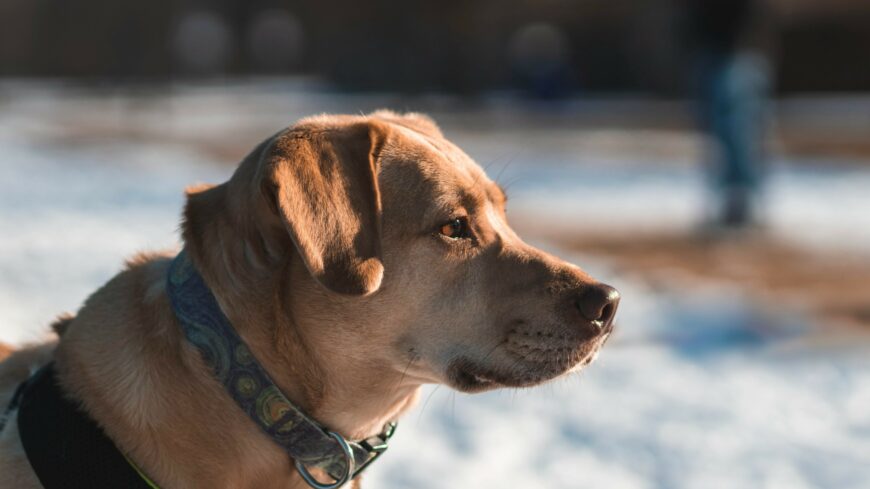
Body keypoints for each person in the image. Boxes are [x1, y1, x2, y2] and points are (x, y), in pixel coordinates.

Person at [682, 0, 773, 229]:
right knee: (720, 130)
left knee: (737, 129)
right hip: (713, 50)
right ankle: (730, 200)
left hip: (737, 51)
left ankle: (740, 201)